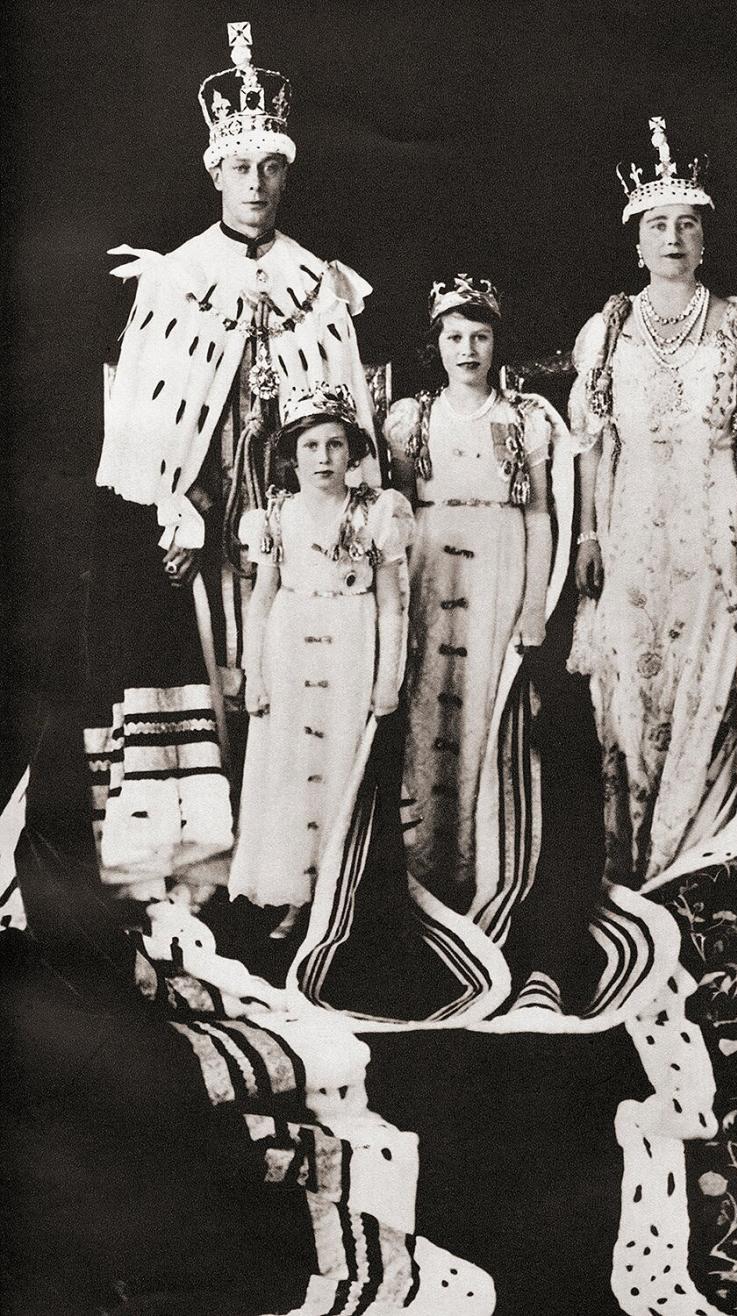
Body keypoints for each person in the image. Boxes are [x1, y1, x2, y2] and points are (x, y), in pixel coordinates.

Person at [86, 22, 378, 900]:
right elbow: (142, 428)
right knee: (211, 674)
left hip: (296, 525)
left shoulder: (316, 283)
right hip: (203, 518)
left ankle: (286, 869)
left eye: (272, 168)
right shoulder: (172, 280)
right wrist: (173, 509)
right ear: (215, 172)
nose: (256, 184)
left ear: (288, 173)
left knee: (291, 678)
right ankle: (204, 871)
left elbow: (349, 422)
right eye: (241, 169)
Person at [569, 117, 737, 890]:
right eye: (657, 225)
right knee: (630, 686)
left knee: (709, 682)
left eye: (687, 224)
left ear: (705, 242)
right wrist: (587, 536)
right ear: (637, 242)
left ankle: (692, 862)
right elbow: (593, 442)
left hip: (716, 527)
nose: (673, 237)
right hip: (631, 529)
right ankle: (632, 862)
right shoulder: (608, 328)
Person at [384, 275, 573, 931]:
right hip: (432, 578)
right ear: (436, 343)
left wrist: (532, 607)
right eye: (454, 336)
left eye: (480, 337)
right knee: (428, 713)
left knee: (488, 719)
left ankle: (480, 868)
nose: (467, 350)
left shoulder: (525, 420)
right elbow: (398, 514)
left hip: (497, 575)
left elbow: (541, 515)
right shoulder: (413, 418)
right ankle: (422, 866)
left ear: (498, 343)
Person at [229, 384, 413, 937]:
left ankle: (341, 894)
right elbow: (260, 599)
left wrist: (389, 680)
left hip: (350, 646)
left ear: (353, 453)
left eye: (336, 445)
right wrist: (252, 674)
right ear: (293, 454)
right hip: (289, 646)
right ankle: (293, 895)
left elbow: (391, 605)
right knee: (288, 769)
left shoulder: (377, 512)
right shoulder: (275, 516)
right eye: (311, 447)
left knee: (342, 767)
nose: (324, 458)